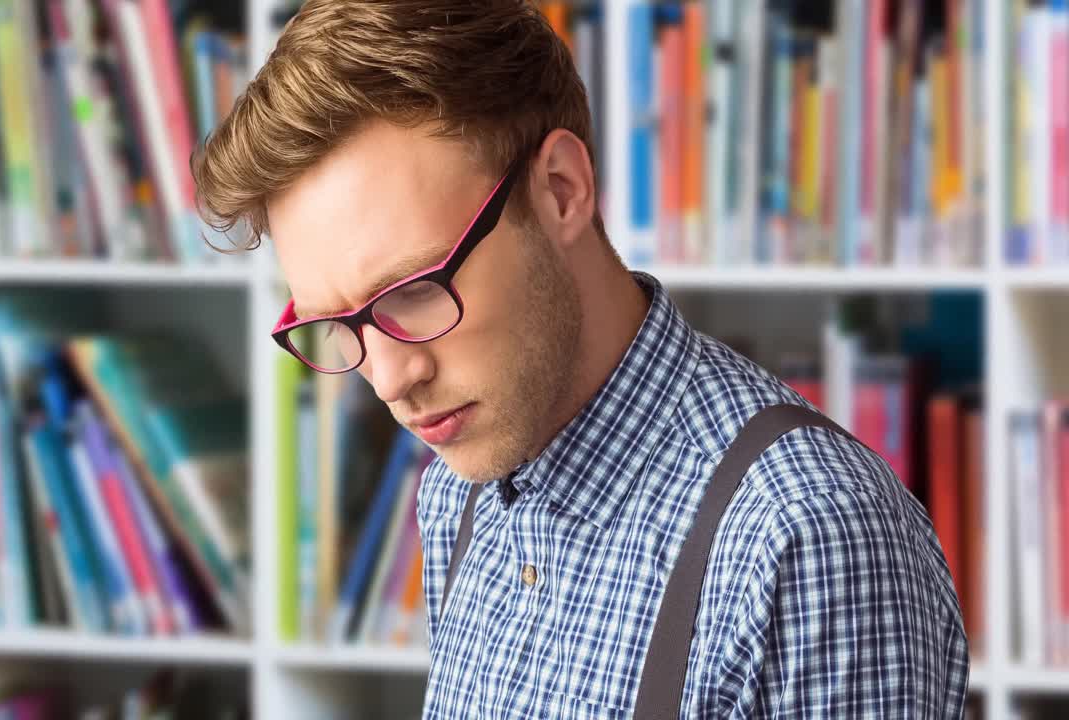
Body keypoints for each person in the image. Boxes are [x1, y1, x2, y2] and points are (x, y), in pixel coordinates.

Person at [191, 1, 970, 717]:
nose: (391, 380)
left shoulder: (806, 536)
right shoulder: (455, 492)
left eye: (416, 290)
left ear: (562, 191)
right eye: (336, 324)